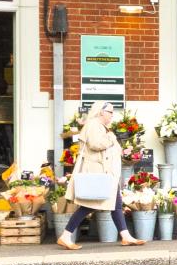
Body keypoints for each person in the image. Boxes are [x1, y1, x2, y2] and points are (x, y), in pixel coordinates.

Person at [58, 101, 141, 249]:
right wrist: (111, 138)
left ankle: (126, 236)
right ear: (101, 112)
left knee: (116, 204)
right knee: (88, 206)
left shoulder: (100, 126)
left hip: (104, 174)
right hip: (98, 173)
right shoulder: (93, 125)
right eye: (110, 112)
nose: (112, 115)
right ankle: (65, 235)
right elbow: (95, 144)